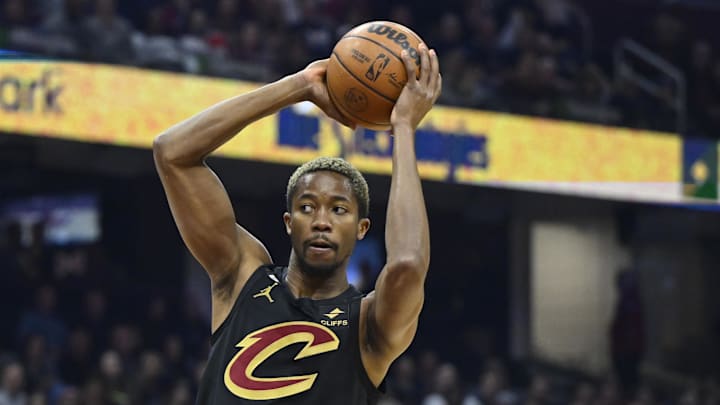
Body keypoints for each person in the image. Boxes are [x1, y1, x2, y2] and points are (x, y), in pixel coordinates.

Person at [153, 42, 441, 404]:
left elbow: (408, 265)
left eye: (339, 210)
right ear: (289, 222)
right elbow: (171, 152)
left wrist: (403, 129)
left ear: (362, 228)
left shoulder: (368, 323)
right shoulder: (242, 277)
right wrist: (298, 86)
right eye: (308, 208)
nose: (322, 221)